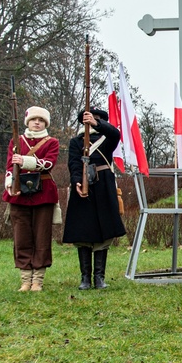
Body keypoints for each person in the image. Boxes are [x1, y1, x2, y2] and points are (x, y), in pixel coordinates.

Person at [63, 109, 126, 290]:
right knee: (83, 232)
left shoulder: (107, 139)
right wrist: (77, 182)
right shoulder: (76, 142)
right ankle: (85, 278)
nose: (91, 121)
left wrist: (98, 123)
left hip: (104, 186)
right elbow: (74, 163)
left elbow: (115, 133)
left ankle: (99, 277)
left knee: (103, 231)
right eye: (89, 119)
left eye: (96, 119)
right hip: (84, 186)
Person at [2, 106, 60, 292]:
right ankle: (25, 279)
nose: (37, 123)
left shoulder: (52, 142)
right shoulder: (16, 141)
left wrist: (25, 161)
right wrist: (9, 183)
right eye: (34, 119)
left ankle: (38, 281)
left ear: (45, 123)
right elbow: (10, 165)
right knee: (22, 237)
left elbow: (48, 164)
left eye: (41, 120)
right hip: (19, 194)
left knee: (42, 237)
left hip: (43, 193)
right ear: (28, 122)